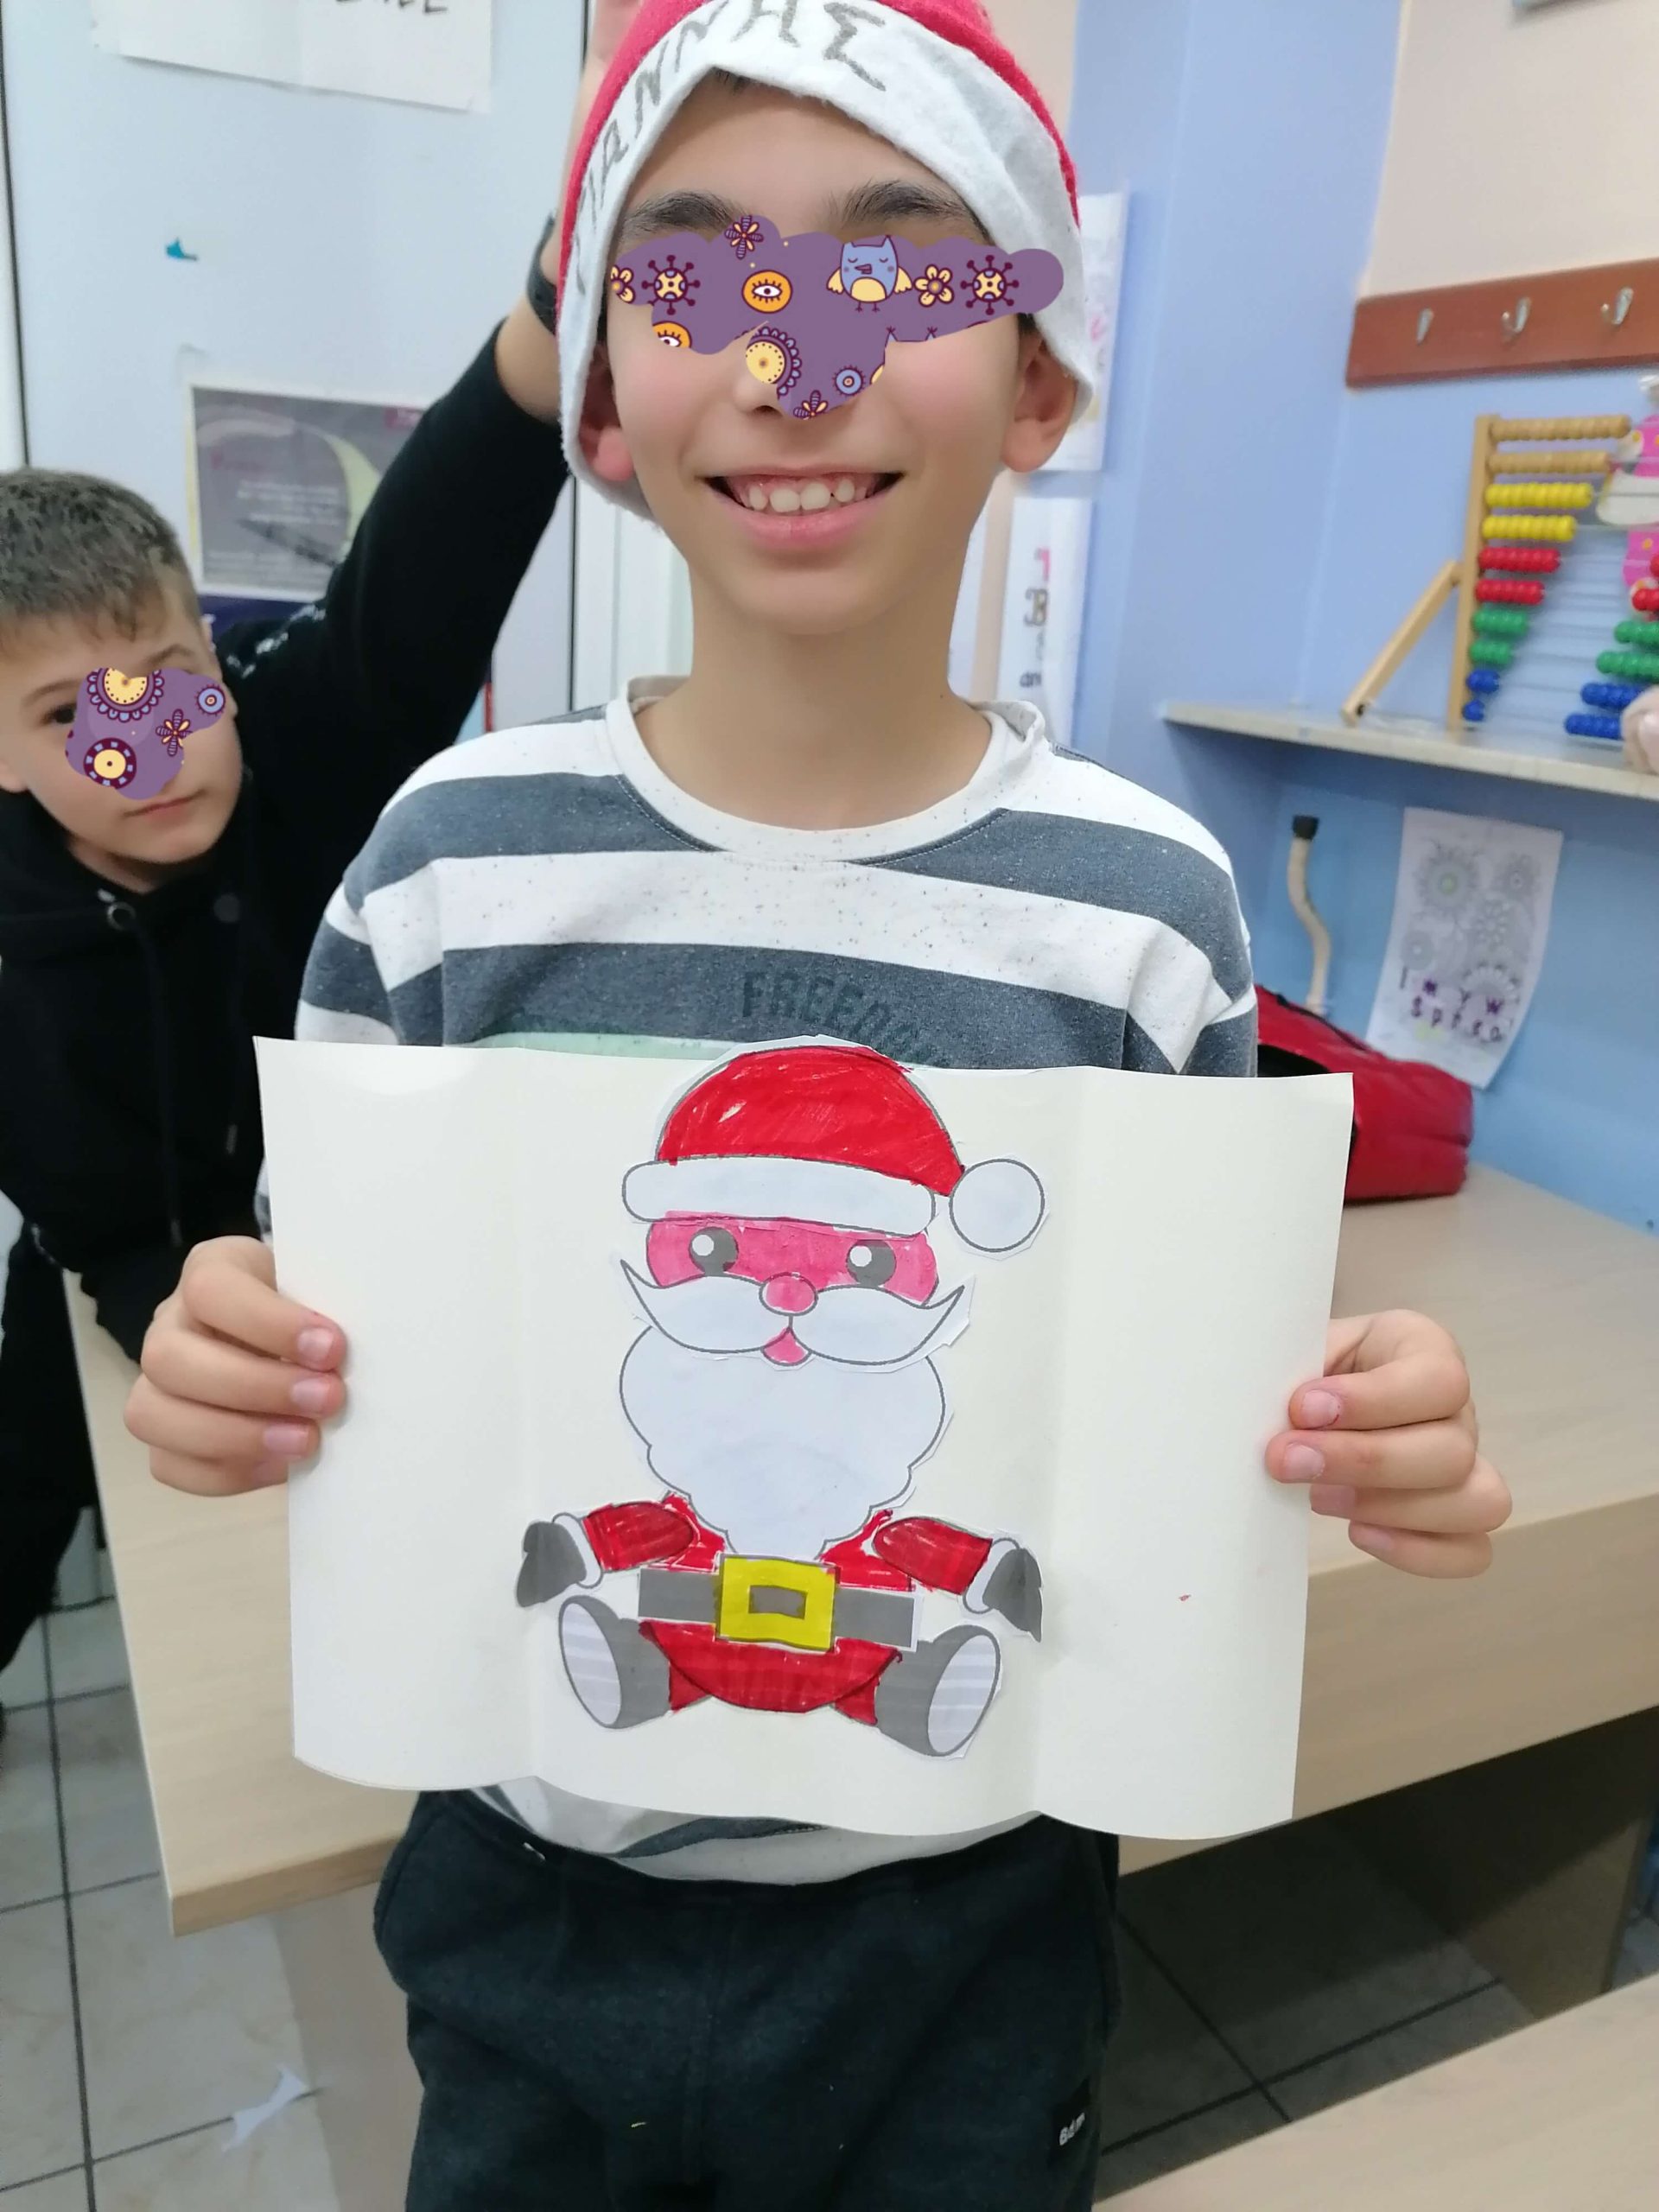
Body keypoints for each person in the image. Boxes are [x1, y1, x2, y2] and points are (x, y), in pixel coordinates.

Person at [127, 3, 1513, 2204]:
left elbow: (1185, 1381)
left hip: (967, 1926)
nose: (796, 354)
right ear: (600, 395)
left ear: (1040, 377)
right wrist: (231, 1359)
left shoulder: (1148, 908)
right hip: (533, 1895)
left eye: (901, 266)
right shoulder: (446, 864)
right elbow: (335, 1339)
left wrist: (1366, 1419)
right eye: (693, 276)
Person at [0, 1, 647, 1715]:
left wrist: (551, 309)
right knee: (32, 1490)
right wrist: (161, 1297)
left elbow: (419, 570)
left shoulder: (292, 734)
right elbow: (100, 1230)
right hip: (112, 1259)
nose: (149, 748)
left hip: (356, 1245)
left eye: (170, 683)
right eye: (69, 716)